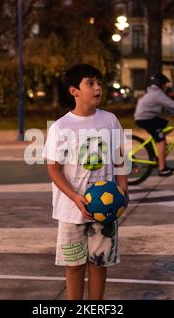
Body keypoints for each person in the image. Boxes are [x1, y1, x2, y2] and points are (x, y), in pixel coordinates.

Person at [43, 64, 129, 300]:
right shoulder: (61, 127)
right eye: (90, 83)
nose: (97, 87)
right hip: (72, 210)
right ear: (74, 91)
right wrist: (74, 197)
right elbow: (54, 168)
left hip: (105, 209)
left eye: (99, 82)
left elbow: (120, 158)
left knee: (99, 265)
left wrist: (123, 189)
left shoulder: (110, 120)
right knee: (74, 267)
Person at [134, 73, 174, 177]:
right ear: (160, 84)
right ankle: (162, 169)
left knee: (167, 124)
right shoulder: (157, 93)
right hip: (145, 118)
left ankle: (153, 145)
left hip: (148, 117)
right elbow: (172, 104)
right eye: (165, 84)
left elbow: (164, 107)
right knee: (161, 140)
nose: (166, 86)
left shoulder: (155, 93)